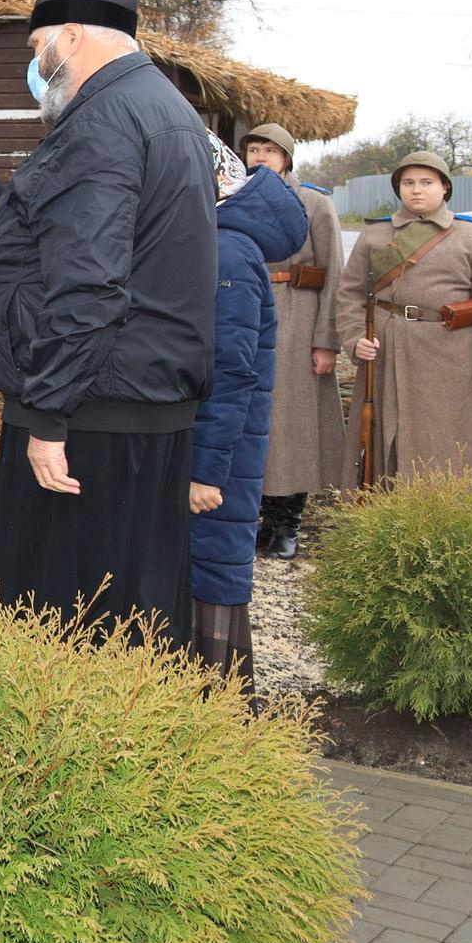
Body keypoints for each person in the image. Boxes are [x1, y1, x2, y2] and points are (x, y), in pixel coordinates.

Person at [0, 0, 215, 648]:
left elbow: (89, 281)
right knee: (134, 626)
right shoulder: (164, 108)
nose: (35, 63)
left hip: (93, 421)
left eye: (36, 47)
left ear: (74, 35)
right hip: (138, 409)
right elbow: (107, 236)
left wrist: (49, 415)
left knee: (64, 637)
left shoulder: (104, 118)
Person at [189, 140, 309, 689]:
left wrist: (205, 471)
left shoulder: (227, 252)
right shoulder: (216, 241)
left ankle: (214, 732)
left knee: (208, 583)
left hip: (217, 467)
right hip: (212, 456)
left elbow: (232, 373)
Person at [332, 150, 472, 489]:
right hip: (388, 350)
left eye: (427, 182)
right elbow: (349, 295)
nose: (417, 190)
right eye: (408, 183)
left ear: (445, 188)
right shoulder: (374, 236)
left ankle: (454, 520)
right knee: (386, 441)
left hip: (453, 355)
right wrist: (355, 339)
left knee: (452, 444)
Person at [241, 123, 347, 560]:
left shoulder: (315, 203)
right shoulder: (230, 197)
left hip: (298, 318)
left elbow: (336, 274)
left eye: (270, 150)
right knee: (248, 418)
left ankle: (286, 523)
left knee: (292, 425)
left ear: (287, 157)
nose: (261, 157)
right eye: (254, 149)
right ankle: (254, 517)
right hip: (244, 313)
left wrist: (326, 341)